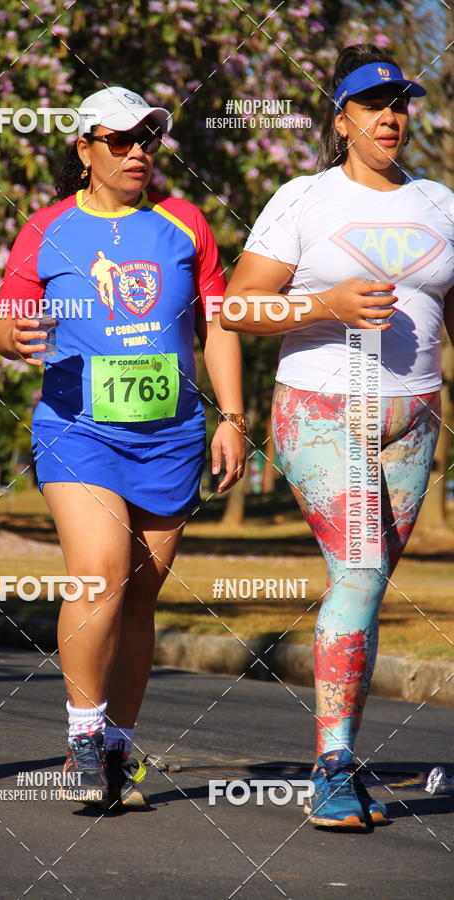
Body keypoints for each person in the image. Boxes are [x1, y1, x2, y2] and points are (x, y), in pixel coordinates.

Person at [0, 86, 246, 810]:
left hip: (169, 437)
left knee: (138, 595)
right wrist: (14, 337)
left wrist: (231, 417)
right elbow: (1, 323)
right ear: (84, 150)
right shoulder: (48, 228)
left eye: (149, 140)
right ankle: (82, 741)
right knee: (98, 575)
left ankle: (119, 751)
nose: (138, 153)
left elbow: (218, 323)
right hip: (77, 430)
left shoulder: (183, 222)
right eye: (121, 140)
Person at [222, 44, 454, 829]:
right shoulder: (303, 200)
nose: (391, 116)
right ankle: (330, 769)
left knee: (366, 586)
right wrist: (326, 306)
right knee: (358, 570)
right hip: (320, 407)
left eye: (401, 103)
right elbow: (238, 307)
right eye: (373, 104)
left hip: (413, 418)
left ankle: (341, 752)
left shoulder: (440, 202)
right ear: (342, 119)